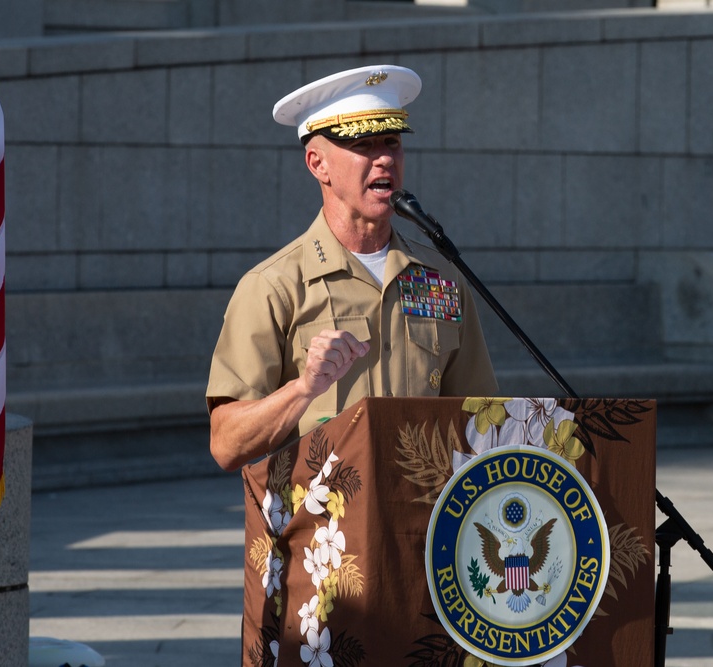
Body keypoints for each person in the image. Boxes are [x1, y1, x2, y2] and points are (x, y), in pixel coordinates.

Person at [206, 64, 498, 471]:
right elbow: (225, 443)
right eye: (363, 145)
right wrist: (304, 389)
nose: (384, 159)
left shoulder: (441, 276)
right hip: (326, 528)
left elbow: (481, 420)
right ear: (317, 164)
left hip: (422, 525)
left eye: (392, 142)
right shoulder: (273, 286)